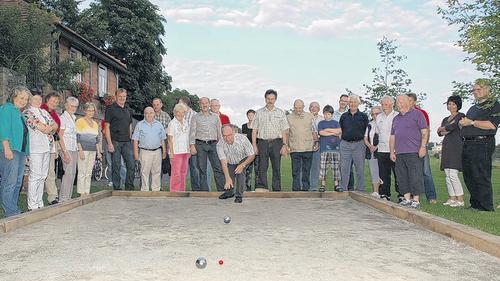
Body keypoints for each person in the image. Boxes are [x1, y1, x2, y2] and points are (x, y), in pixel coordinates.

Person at [459, 80, 499, 212]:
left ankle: (486, 206)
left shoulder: (494, 105)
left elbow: (491, 125)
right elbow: (468, 123)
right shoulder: (473, 108)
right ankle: (475, 204)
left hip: (483, 143)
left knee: (481, 174)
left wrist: (472, 122)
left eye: (479, 89)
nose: (476, 92)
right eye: (474, 90)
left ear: (487, 90)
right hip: (468, 143)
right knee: (469, 175)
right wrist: (463, 124)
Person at [390, 95, 428, 209]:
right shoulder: (396, 118)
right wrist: (392, 151)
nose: (398, 104)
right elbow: (392, 137)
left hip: (414, 151)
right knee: (402, 176)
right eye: (397, 102)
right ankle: (406, 199)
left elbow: (424, 132)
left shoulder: (417, 114)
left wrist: (423, 147)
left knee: (415, 176)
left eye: (401, 101)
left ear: (407, 102)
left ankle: (416, 200)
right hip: (400, 152)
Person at [0, 86, 31, 216]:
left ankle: (13, 208)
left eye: (26, 99)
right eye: (21, 98)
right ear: (14, 96)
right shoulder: (7, 109)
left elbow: (24, 135)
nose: (23, 101)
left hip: (20, 152)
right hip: (10, 150)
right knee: (10, 181)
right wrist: (6, 148)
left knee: (18, 182)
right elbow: (3, 129)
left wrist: (27, 153)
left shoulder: (19, 113)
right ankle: (10, 212)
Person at [251, 89, 289, 192]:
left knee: (276, 167)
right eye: (268, 99)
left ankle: (276, 189)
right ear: (265, 99)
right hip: (262, 142)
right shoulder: (259, 113)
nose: (270, 101)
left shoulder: (280, 113)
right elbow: (254, 130)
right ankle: (262, 188)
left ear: (275, 99)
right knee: (262, 166)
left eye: (272, 99)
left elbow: (284, 130)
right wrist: (254, 145)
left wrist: (285, 145)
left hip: (277, 142)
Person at [24, 95, 55, 210]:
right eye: (35, 99)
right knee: (35, 175)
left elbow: (53, 125)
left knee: (43, 176)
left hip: (47, 147)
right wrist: (47, 128)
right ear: (30, 100)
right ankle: (32, 205)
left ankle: (39, 202)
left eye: (39, 99)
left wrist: (48, 127)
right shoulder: (27, 112)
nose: (37, 101)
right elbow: (36, 125)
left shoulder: (44, 112)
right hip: (35, 147)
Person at [189, 97, 225, 192]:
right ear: (199, 105)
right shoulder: (195, 117)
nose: (204, 105)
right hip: (200, 145)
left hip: (214, 145)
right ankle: (204, 193)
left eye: (206, 103)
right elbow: (192, 132)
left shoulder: (215, 117)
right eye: (202, 103)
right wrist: (192, 145)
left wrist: (221, 145)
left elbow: (219, 131)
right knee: (202, 169)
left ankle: (221, 191)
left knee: (218, 168)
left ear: (209, 104)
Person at [407, 93, 437, 204]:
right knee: (410, 172)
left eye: (410, 100)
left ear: (414, 102)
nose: (408, 102)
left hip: (420, 146)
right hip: (408, 148)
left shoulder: (421, 113)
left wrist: (423, 146)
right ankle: (411, 195)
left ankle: (431, 196)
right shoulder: (403, 114)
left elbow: (426, 130)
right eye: (406, 100)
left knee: (426, 172)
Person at [437, 96, 466, 207]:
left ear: (458, 105)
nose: (451, 106)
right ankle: (452, 198)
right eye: (449, 104)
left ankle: (460, 200)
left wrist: (444, 128)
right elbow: (440, 133)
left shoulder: (461, 116)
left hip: (456, 146)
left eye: (453, 104)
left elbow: (452, 127)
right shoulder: (445, 118)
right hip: (447, 146)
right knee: (447, 174)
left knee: (453, 174)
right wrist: (445, 129)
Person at [105, 88, 135, 191]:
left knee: (131, 164)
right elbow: (106, 127)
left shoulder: (128, 110)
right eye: (120, 96)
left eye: (124, 96)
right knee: (116, 166)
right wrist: (109, 143)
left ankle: (129, 187)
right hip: (115, 142)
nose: (122, 98)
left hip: (127, 142)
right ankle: (117, 188)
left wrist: (130, 139)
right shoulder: (110, 109)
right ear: (116, 97)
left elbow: (130, 125)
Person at [217, 125, 255, 203]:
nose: (227, 138)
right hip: (230, 161)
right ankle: (229, 193)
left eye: (230, 135)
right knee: (229, 176)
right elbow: (223, 162)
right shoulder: (219, 144)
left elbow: (252, 155)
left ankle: (239, 195)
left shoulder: (243, 139)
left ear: (234, 133)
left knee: (240, 172)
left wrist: (243, 165)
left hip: (243, 159)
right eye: (225, 136)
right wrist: (227, 177)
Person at [132, 107, 167, 191]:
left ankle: (156, 189)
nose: (149, 115)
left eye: (151, 112)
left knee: (157, 172)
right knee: (144, 172)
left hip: (157, 151)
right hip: (144, 152)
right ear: (144, 114)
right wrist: (136, 154)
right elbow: (135, 140)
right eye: (146, 113)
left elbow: (162, 139)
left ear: (154, 114)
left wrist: (164, 151)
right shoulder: (139, 125)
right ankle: (144, 190)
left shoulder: (159, 124)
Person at [339, 95, 368, 192]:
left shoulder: (363, 116)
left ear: (358, 103)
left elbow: (367, 132)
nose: (353, 104)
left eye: (355, 102)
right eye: (351, 102)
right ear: (348, 103)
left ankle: (360, 190)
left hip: (359, 144)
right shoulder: (343, 116)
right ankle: (343, 189)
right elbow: (340, 130)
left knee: (359, 169)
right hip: (345, 145)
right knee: (344, 169)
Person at [287, 99, 317, 191]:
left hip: (308, 147)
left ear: (303, 107)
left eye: (300, 108)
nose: (298, 110)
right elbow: (287, 132)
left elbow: (314, 130)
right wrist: (286, 145)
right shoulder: (288, 117)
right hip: (294, 147)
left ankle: (305, 189)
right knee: (295, 171)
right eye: (296, 108)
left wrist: (316, 142)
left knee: (306, 170)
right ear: (293, 107)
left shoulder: (309, 116)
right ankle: (296, 189)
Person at [375, 95, 401, 201]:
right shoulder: (379, 117)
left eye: (386, 104)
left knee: (398, 174)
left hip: (395, 150)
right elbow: (377, 132)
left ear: (392, 104)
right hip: (382, 150)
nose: (383, 106)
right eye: (382, 104)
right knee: (383, 174)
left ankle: (402, 195)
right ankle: (385, 194)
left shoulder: (398, 116)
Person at [76, 102, 102, 196]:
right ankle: (81, 192)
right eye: (89, 110)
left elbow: (96, 140)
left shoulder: (95, 124)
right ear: (85, 111)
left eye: (92, 110)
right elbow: (77, 137)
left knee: (89, 172)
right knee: (82, 171)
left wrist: (98, 152)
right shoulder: (80, 121)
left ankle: (87, 191)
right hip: (83, 150)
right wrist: (80, 150)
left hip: (93, 151)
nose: (91, 112)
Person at [41, 92, 61, 205]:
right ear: (47, 100)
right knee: (39, 173)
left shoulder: (56, 116)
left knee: (51, 172)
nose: (55, 103)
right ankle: (36, 198)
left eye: (57, 102)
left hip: (51, 147)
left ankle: (52, 197)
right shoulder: (40, 110)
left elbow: (56, 135)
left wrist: (56, 150)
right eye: (53, 101)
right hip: (39, 146)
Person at [58, 96, 79, 202]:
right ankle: (63, 199)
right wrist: (65, 152)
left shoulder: (74, 118)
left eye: (75, 106)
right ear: (66, 106)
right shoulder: (63, 118)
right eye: (71, 106)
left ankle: (68, 197)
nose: (73, 108)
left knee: (73, 173)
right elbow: (60, 136)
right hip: (66, 148)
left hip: (74, 148)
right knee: (68, 172)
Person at [317, 105, 342, 192]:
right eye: (325, 114)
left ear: (331, 115)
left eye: (328, 114)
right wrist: (332, 132)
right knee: (323, 167)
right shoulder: (321, 123)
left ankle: (336, 185)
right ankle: (323, 185)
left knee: (336, 167)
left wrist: (327, 130)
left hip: (335, 149)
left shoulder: (336, 123)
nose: (326, 116)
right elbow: (321, 133)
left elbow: (339, 132)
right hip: (324, 149)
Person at [179, 96, 200, 191]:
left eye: (180, 103)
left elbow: (196, 132)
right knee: (181, 169)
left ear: (185, 104)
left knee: (194, 168)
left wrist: (192, 146)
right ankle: (180, 189)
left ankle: (196, 190)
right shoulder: (179, 115)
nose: (178, 105)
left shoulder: (195, 115)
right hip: (181, 146)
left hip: (192, 146)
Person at [333, 94, 355, 190]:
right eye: (342, 100)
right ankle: (338, 186)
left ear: (348, 103)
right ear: (339, 101)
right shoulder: (333, 115)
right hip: (336, 143)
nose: (343, 102)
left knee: (348, 167)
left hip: (348, 143)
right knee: (337, 167)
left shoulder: (352, 114)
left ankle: (350, 188)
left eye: (346, 101)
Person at [168, 104, 191, 192]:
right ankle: (174, 191)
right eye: (178, 112)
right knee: (176, 173)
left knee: (183, 172)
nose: (180, 114)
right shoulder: (172, 123)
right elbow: (170, 139)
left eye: (182, 112)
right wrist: (172, 153)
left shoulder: (186, 122)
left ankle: (182, 191)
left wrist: (188, 150)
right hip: (176, 152)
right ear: (175, 112)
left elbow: (188, 137)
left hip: (185, 151)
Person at [152, 98, 171, 187]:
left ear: (161, 105)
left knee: (163, 166)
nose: (156, 106)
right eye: (154, 105)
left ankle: (159, 186)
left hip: (164, 144)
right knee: (152, 166)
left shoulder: (166, 116)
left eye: (157, 105)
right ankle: (149, 186)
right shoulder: (150, 115)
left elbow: (170, 129)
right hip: (152, 144)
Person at [365, 106, 382, 198]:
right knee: (374, 171)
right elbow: (365, 137)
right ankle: (376, 192)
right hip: (371, 151)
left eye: (377, 113)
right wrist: (370, 146)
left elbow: (386, 137)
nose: (375, 115)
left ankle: (384, 193)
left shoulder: (384, 123)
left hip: (383, 150)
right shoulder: (369, 124)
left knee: (383, 172)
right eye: (373, 114)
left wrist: (377, 146)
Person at [241, 109, 259, 191]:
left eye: (252, 115)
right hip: (248, 152)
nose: (251, 117)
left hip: (257, 150)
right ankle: (247, 189)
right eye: (249, 115)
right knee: (248, 171)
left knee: (258, 170)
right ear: (247, 116)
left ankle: (257, 188)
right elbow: (244, 138)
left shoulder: (258, 126)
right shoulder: (244, 126)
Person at [309, 101, 323, 191]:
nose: (314, 108)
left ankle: (314, 187)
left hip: (318, 144)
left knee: (315, 166)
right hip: (305, 144)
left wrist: (317, 141)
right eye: (312, 107)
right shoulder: (305, 117)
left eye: (316, 107)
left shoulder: (322, 119)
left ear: (319, 109)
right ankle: (303, 186)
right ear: (309, 108)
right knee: (304, 167)